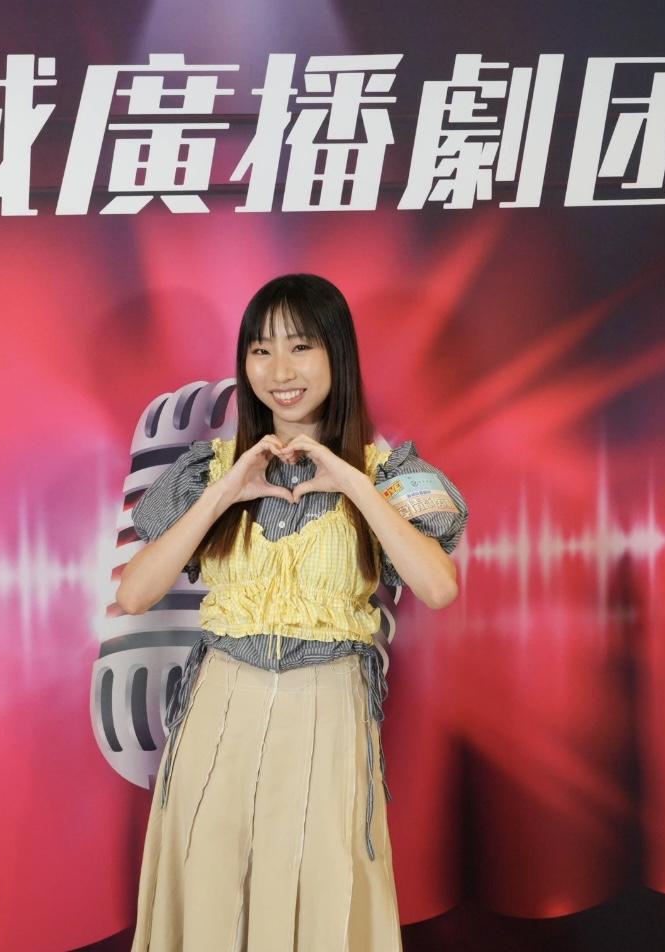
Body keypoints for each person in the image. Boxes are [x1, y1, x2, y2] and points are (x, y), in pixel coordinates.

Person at [116, 273, 468, 951]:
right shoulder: (210, 468)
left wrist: (354, 482)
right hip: (219, 715)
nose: (279, 371)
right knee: (213, 897)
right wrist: (225, 492)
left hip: (328, 713)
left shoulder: (388, 473)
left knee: (321, 900)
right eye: (261, 350)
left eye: (300, 346)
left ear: (337, 353)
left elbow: (438, 586)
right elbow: (135, 594)